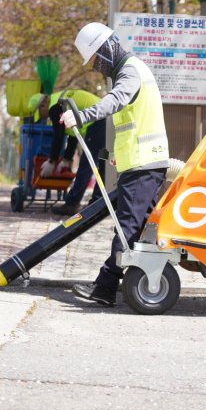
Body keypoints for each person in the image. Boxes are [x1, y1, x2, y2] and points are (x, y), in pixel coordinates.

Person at [62, 22, 169, 307]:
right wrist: (116, 156)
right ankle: (120, 282)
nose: (96, 66)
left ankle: (106, 287)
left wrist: (82, 116)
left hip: (144, 163)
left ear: (108, 48)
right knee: (134, 228)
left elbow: (116, 101)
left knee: (126, 227)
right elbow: (129, 122)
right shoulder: (129, 71)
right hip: (139, 163)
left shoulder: (131, 71)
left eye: (96, 59)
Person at [27, 90, 106, 215]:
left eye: (41, 114)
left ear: (42, 105)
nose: (43, 117)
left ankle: (72, 204)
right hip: (106, 116)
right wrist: (67, 158)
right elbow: (73, 134)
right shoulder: (60, 99)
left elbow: (58, 136)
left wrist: (51, 160)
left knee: (87, 163)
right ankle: (98, 202)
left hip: (98, 119)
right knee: (103, 160)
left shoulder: (54, 107)